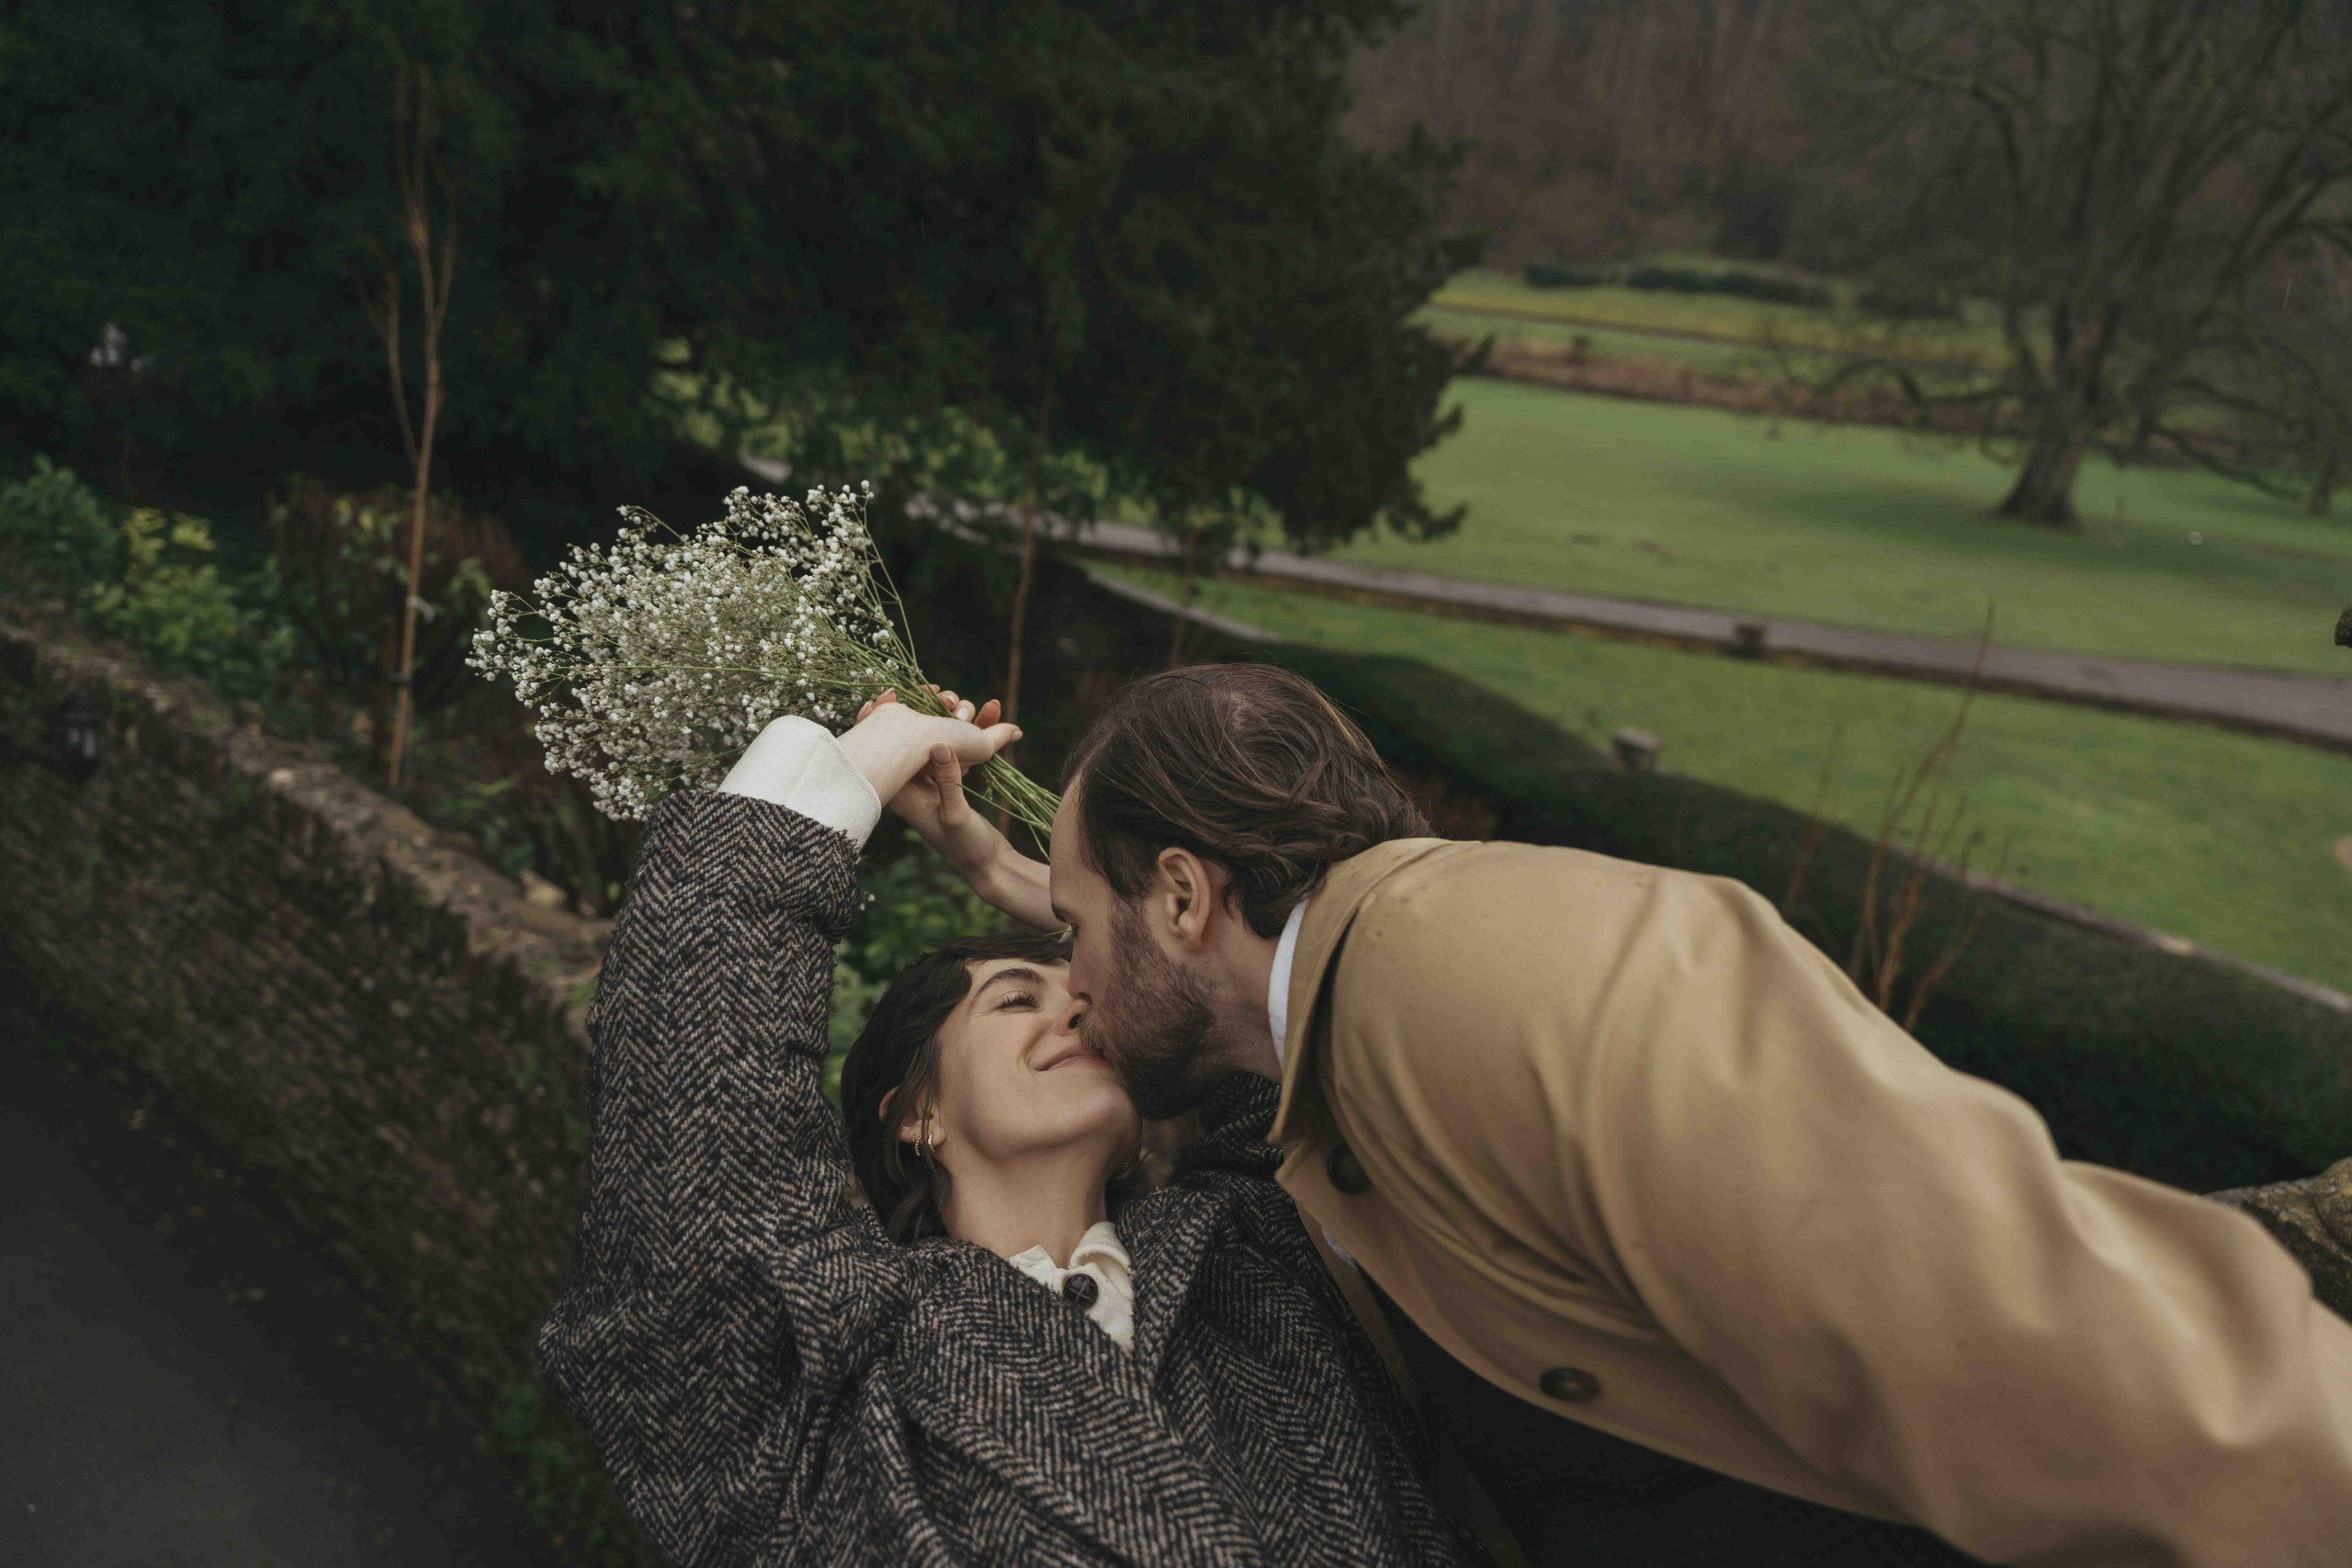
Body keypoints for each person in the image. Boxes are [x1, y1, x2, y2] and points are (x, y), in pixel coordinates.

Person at [925, 661, 2352, 1567]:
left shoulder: (1489, 975)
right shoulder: (1343, 1023)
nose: (1067, 983)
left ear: (1182, 894)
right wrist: (1027, 882)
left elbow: (2014, 1309)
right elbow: (1189, 990)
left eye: (1074, 928)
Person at [537, 691, 1483, 1568]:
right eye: (1014, 1000)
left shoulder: (1267, 1240)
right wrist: (842, 776)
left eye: (1082, 992)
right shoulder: (837, 1376)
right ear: (917, 1113)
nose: (1072, 1009)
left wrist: (1049, 886)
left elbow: (1340, 977)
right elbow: (695, 1148)